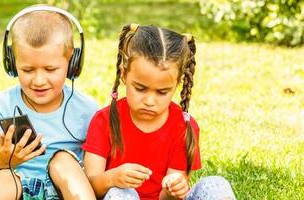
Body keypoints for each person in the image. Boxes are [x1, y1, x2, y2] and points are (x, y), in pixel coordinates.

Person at [83, 24, 236, 200]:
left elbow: (168, 197)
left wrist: (173, 190)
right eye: (140, 88)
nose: (149, 101)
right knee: (120, 193)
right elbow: (90, 187)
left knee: (216, 184)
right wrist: (112, 178)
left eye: (162, 92)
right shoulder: (105, 120)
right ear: (124, 74)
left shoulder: (184, 127)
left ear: (177, 84)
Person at [0, 5, 99, 200]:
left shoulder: (89, 110)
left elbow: (96, 175)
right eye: (27, 70)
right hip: (15, 188)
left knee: (64, 161)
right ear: (12, 64)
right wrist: (2, 162)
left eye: (50, 69)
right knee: (5, 177)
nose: (39, 80)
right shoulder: (0, 106)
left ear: (73, 63)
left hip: (65, 191)